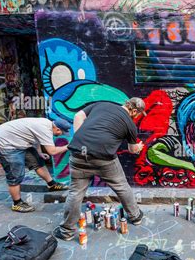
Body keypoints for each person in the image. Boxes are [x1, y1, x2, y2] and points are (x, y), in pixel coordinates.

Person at [53, 98, 146, 241]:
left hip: (78, 154)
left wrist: (80, 138)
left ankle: (66, 231)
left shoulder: (102, 104)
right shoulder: (129, 124)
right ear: (134, 111)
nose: (138, 116)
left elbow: (78, 116)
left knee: (75, 192)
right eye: (139, 114)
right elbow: (132, 150)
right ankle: (136, 217)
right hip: (104, 159)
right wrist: (138, 147)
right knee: (121, 186)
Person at [0, 117, 71, 212]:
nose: (61, 135)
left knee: (37, 161)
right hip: (2, 143)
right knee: (15, 172)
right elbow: (52, 151)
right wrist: (68, 146)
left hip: (18, 141)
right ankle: (17, 203)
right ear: (57, 129)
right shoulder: (45, 129)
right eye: (62, 133)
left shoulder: (47, 124)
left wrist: (39, 153)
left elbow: (37, 139)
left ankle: (52, 185)